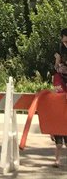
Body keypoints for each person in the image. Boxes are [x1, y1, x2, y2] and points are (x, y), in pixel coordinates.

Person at [51, 28, 67, 164]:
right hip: (62, 83)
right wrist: (57, 62)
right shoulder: (61, 50)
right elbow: (56, 70)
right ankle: (57, 160)